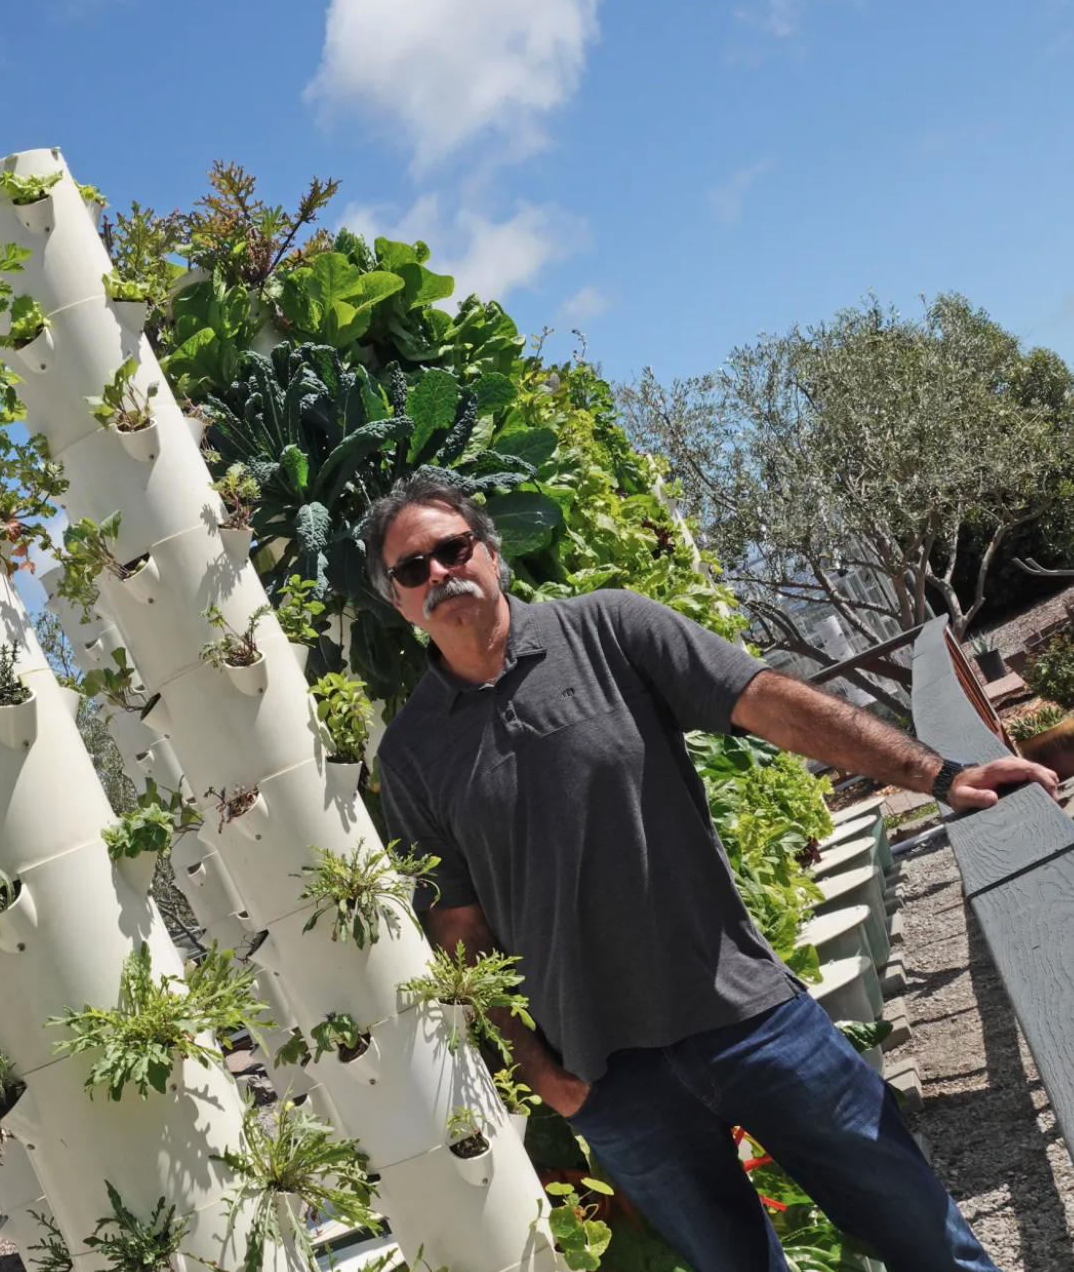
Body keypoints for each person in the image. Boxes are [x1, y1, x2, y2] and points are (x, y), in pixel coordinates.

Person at [366, 474, 1056, 1272]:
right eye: (412, 569)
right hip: (613, 1083)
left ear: (489, 552)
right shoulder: (411, 754)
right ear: (398, 602)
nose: (440, 575)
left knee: (929, 1240)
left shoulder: (608, 630)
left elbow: (768, 702)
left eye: (452, 550)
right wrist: (544, 1075)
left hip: (753, 1019)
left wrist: (937, 775)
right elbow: (458, 930)